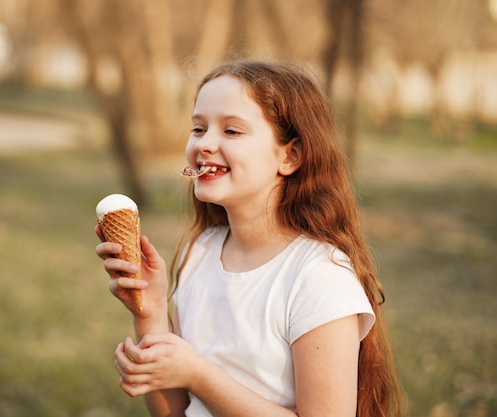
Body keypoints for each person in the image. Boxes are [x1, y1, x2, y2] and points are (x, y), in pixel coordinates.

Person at [95, 59, 404, 417]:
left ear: (290, 156)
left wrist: (197, 374)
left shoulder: (319, 277)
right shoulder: (199, 253)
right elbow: (176, 413)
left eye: (232, 131)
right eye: (198, 128)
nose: (205, 143)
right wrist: (149, 314)